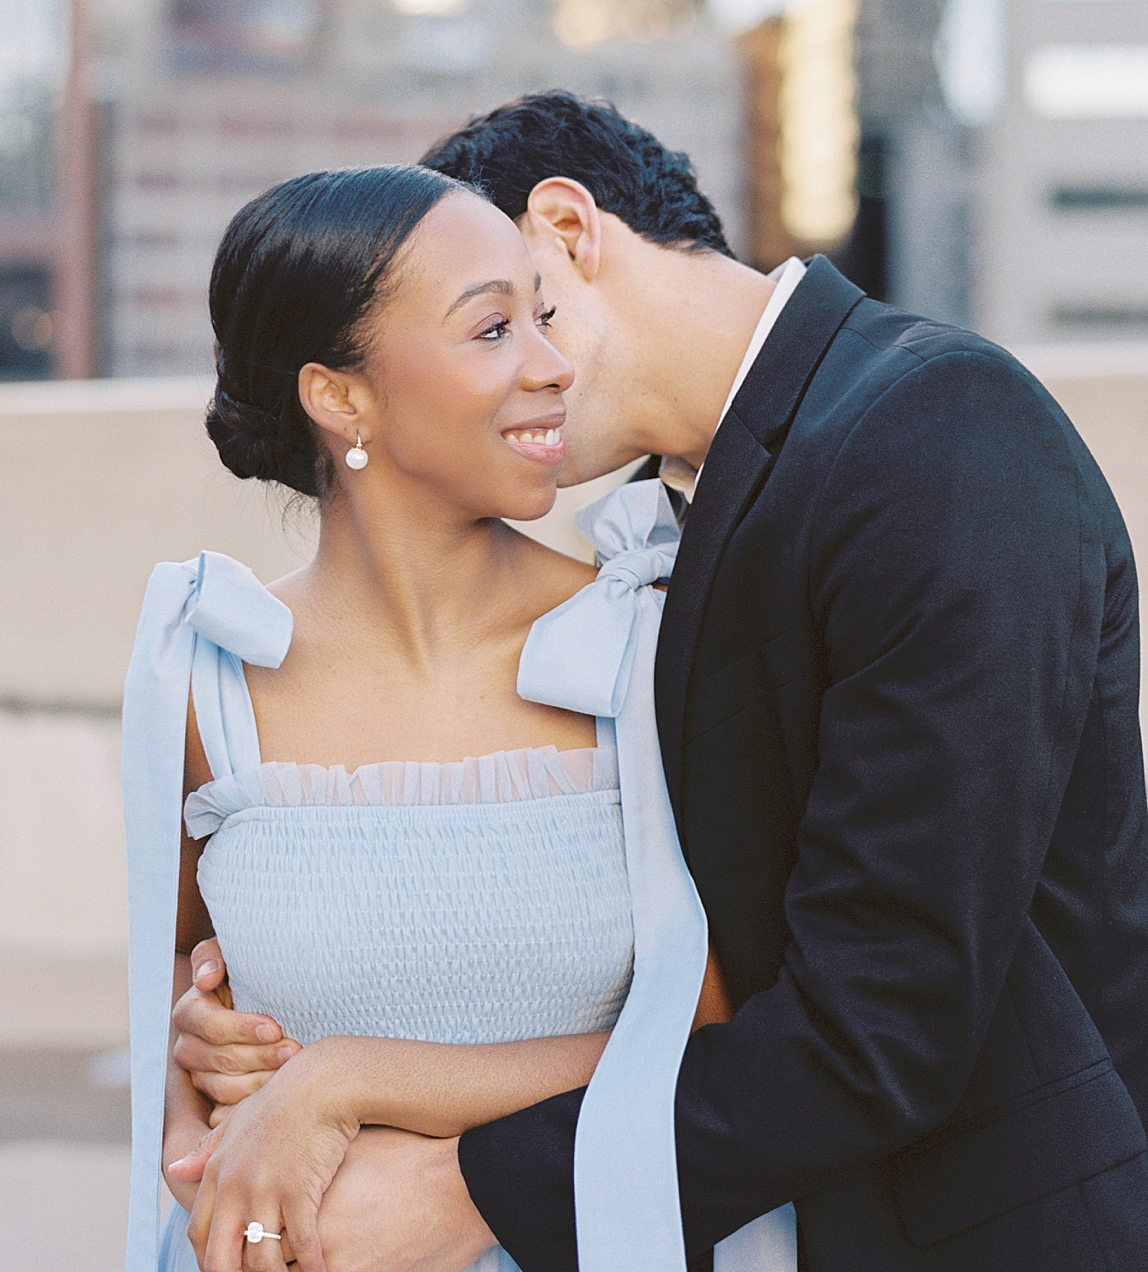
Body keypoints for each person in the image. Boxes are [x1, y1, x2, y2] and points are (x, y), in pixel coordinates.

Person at [175, 91, 1148, 1272]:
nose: (524, 369)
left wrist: (466, 1182)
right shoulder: (683, 528)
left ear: (569, 232)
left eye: (522, 310)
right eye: (487, 331)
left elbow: (885, 1020)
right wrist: (250, 1022)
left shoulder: (938, 428)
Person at [123, 162, 761, 1272]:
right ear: (342, 397)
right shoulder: (208, 674)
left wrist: (349, 1074)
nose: (555, 365)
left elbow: (720, 1036)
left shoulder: (645, 647)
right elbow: (187, 969)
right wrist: (196, 1073)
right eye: (493, 329)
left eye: (543, 314)